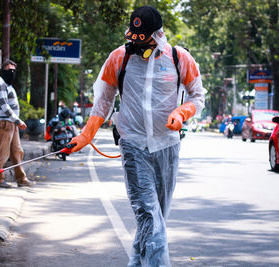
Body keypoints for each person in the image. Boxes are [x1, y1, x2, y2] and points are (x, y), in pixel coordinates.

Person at [69, 6, 205, 267]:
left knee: (155, 219)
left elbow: (197, 96)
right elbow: (103, 102)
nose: (134, 43)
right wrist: (86, 135)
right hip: (133, 146)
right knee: (148, 214)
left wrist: (181, 112)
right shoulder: (119, 58)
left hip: (167, 146)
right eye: (133, 36)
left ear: (158, 35)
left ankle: (136, 263)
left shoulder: (179, 58)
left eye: (142, 38)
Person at [0, 60, 35, 188]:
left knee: (17, 152)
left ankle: (21, 178)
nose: (12, 73)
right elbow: (4, 106)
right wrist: (18, 121)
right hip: (5, 123)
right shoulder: (1, 84)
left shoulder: (8, 85)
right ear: (3, 70)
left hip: (12, 124)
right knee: (2, 153)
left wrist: (16, 122)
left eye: (14, 70)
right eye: (9, 70)